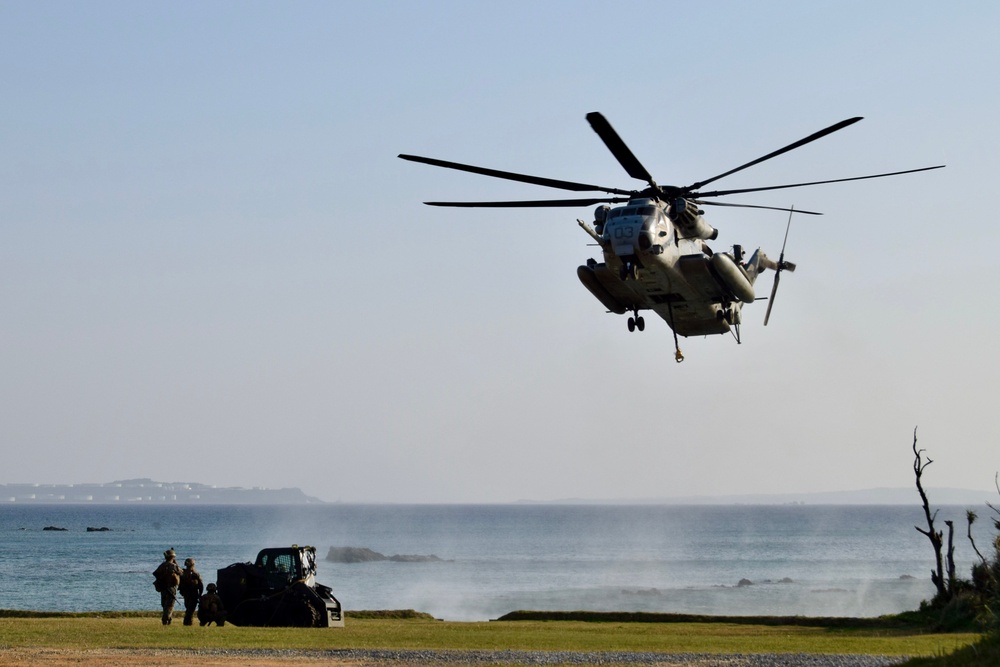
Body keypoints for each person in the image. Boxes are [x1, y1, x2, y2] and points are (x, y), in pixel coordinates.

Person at [152, 548, 182, 625]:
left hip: (163, 588)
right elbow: (181, 573)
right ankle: (165, 620)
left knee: (165, 604)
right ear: (173, 557)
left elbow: (155, 573)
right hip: (171, 588)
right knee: (169, 605)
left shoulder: (162, 565)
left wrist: (162, 580)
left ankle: (168, 619)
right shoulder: (174, 566)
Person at [178, 557, 204, 626]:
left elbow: (201, 586)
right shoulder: (195, 574)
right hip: (191, 594)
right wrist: (200, 595)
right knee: (190, 610)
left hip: (187, 594)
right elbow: (201, 586)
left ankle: (188, 622)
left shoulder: (183, 573)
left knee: (189, 609)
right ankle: (187, 623)